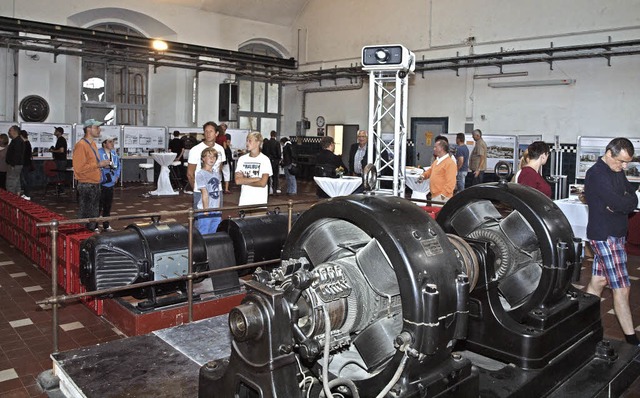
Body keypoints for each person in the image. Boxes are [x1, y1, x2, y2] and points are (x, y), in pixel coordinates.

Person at [584, 137, 639, 346]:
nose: (624, 166)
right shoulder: (596, 174)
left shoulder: (617, 170)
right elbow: (619, 201)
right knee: (622, 288)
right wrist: (621, 203)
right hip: (604, 236)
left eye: (627, 162)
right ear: (609, 154)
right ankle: (632, 339)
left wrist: (622, 204)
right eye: (621, 161)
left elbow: (631, 198)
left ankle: (580, 322)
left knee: (599, 281)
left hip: (615, 234)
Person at [73, 119, 111, 231]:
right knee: (85, 215)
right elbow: (79, 169)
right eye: (97, 127)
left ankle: (89, 236)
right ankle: (81, 238)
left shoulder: (93, 144)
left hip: (95, 183)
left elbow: (92, 164)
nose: (99, 130)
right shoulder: (81, 145)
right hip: (86, 185)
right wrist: (99, 164)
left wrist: (102, 166)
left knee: (93, 214)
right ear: (89, 129)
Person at [187, 121, 225, 207]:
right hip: (200, 191)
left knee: (217, 216)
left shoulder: (220, 149)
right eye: (206, 131)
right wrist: (197, 189)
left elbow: (219, 168)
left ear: (216, 133)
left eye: (211, 131)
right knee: (201, 218)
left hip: (216, 190)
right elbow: (190, 174)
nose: (208, 134)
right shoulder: (195, 150)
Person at [235, 131, 272, 207]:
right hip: (244, 201)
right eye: (247, 141)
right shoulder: (242, 159)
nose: (247, 143)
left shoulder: (265, 160)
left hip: (259, 201)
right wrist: (256, 179)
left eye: (250, 141)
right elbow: (238, 181)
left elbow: (262, 183)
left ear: (258, 142)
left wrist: (245, 180)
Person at [195, 147, 222, 234]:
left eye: (214, 157)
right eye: (209, 156)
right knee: (204, 233)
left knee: (214, 233)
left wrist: (218, 209)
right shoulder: (201, 174)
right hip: (205, 209)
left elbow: (217, 193)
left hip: (215, 210)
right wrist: (205, 210)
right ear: (203, 158)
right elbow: (204, 193)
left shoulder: (216, 173)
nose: (212, 159)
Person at [98, 137, 121, 232]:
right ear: (104, 143)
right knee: (98, 206)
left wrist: (117, 176)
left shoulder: (114, 153)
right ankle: (94, 225)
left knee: (108, 205)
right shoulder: (98, 152)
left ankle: (106, 225)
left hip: (110, 183)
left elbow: (118, 166)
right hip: (100, 183)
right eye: (110, 142)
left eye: (113, 142)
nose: (112, 143)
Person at [262, 130, 282, 195]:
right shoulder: (277, 143)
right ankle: (274, 190)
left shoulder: (266, 143)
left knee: (267, 176)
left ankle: (267, 190)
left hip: (267, 161)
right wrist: (279, 159)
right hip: (275, 161)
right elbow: (279, 153)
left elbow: (263, 152)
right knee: (275, 177)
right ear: (275, 135)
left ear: (270, 135)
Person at [6, 125, 24, 195]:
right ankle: (17, 198)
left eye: (10, 130)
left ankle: (11, 199)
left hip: (14, 165)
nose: (9, 132)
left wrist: (13, 164)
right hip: (16, 165)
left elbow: (17, 154)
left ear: (14, 131)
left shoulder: (18, 141)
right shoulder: (16, 140)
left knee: (11, 183)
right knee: (16, 181)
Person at [216, 125, 232, 194]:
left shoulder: (215, 137)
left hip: (216, 157)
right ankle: (226, 189)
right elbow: (225, 147)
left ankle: (219, 188)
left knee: (218, 172)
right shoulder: (223, 137)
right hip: (223, 157)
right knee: (226, 172)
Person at [20, 130, 33, 199]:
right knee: (26, 179)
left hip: (25, 164)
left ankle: (27, 194)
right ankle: (26, 193)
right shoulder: (27, 143)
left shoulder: (25, 144)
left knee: (25, 179)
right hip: (27, 163)